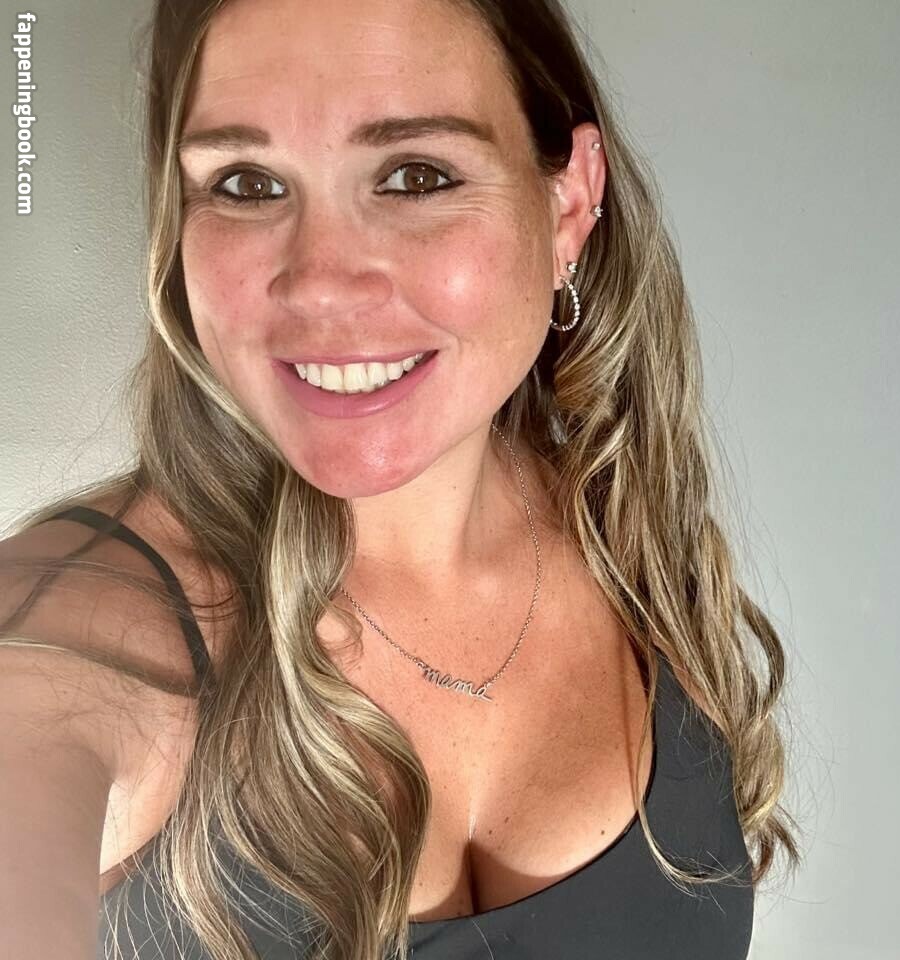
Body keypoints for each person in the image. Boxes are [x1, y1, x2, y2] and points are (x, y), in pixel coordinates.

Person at [0, 0, 801, 958]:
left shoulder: (627, 527)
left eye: (416, 176)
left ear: (568, 205)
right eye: (248, 183)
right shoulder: (73, 635)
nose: (321, 282)